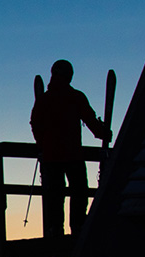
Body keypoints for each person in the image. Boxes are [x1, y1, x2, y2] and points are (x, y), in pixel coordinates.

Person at [30, 59, 111, 239]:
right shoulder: (75, 97)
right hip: (73, 155)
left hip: (51, 156)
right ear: (69, 75)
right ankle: (78, 225)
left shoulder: (44, 100)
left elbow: (35, 124)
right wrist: (103, 133)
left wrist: (41, 144)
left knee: (55, 194)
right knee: (79, 190)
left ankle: (55, 229)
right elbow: (90, 120)